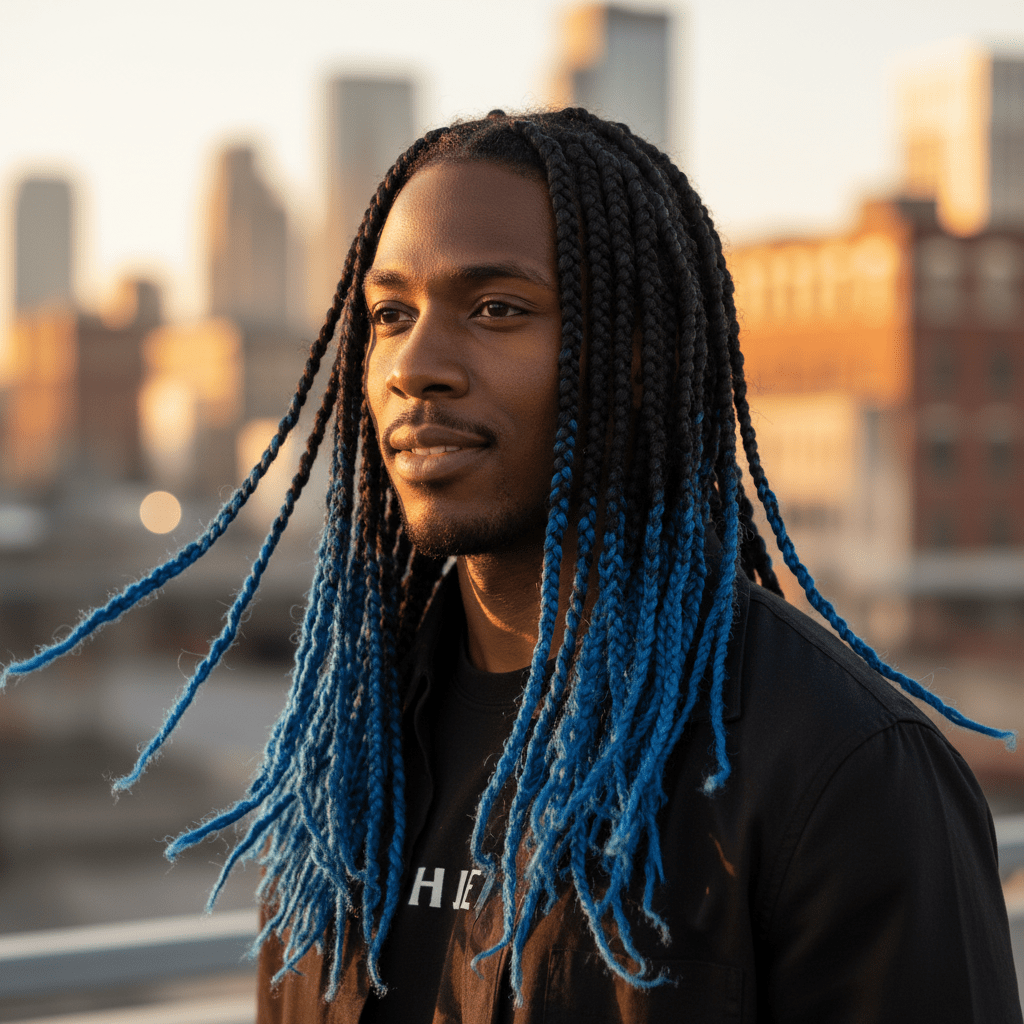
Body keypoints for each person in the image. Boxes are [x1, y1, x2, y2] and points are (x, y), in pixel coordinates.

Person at [3, 109, 1021, 1022]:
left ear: (636, 361)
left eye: (496, 308)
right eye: (389, 313)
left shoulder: (837, 769)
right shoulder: (347, 756)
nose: (415, 365)